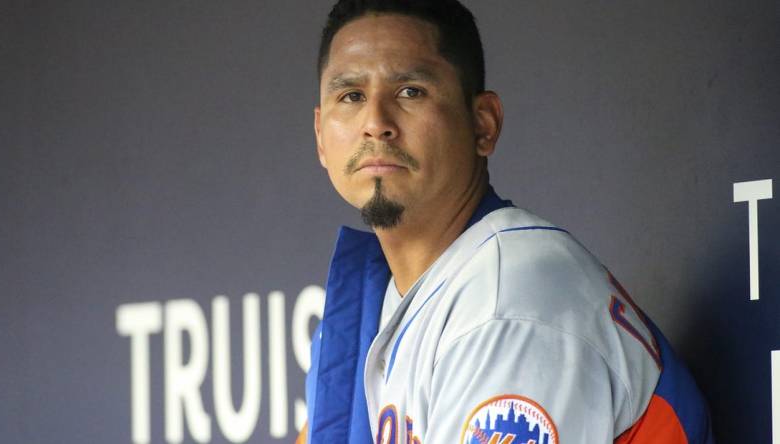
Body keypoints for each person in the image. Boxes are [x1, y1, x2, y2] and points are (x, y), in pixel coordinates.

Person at [299, 1, 713, 443]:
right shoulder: (377, 307)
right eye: (351, 96)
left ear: (484, 124)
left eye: (410, 91)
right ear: (322, 136)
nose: (376, 123)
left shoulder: (507, 304)